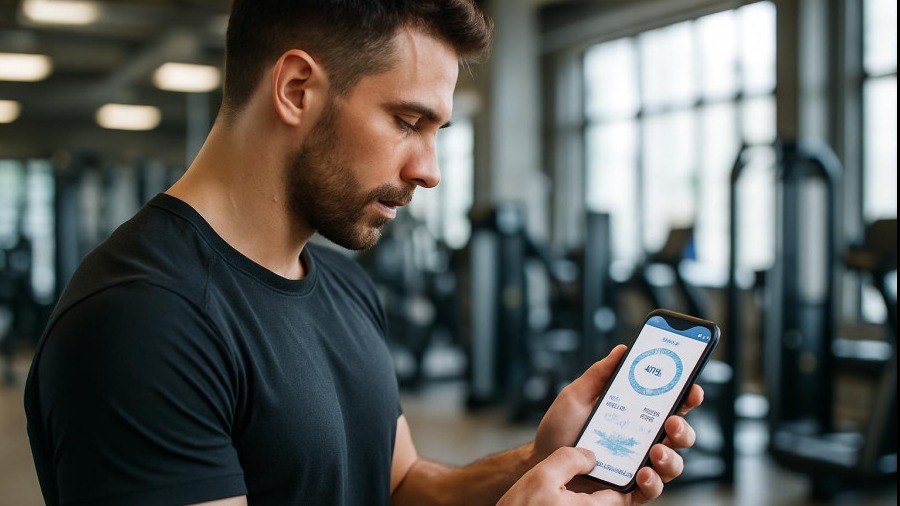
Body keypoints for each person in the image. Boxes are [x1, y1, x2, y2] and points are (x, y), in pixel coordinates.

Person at [23, 1, 704, 505]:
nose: (430, 169)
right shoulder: (143, 323)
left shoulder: (344, 286)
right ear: (296, 90)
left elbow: (403, 486)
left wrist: (539, 459)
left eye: (437, 130)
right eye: (407, 122)